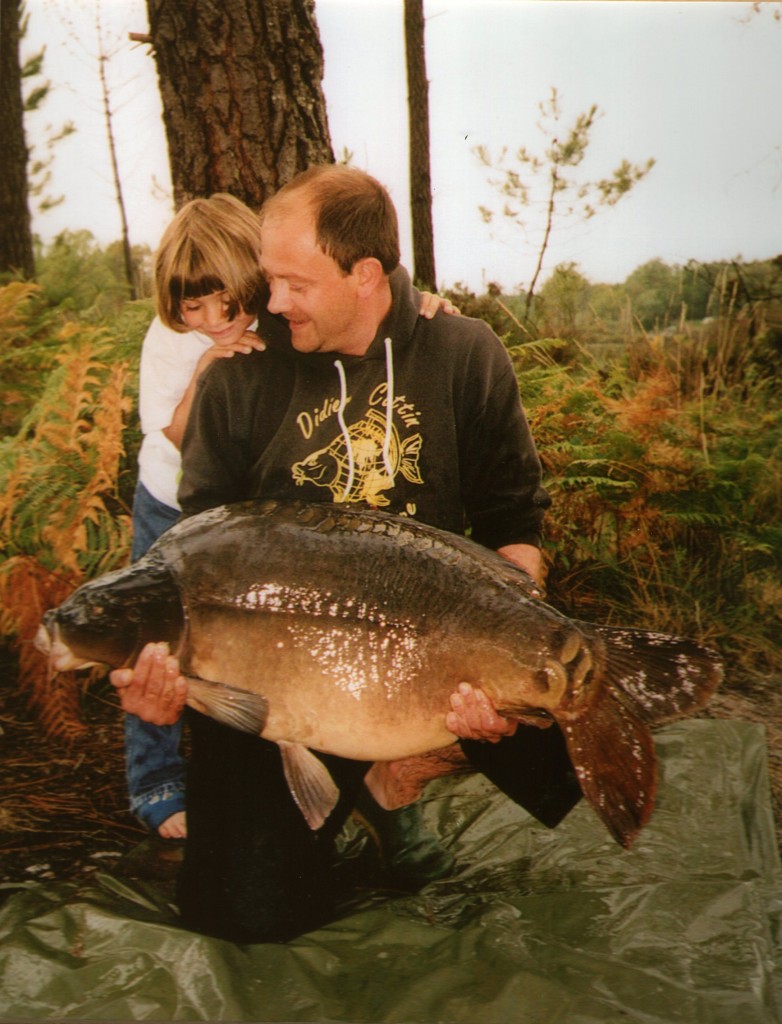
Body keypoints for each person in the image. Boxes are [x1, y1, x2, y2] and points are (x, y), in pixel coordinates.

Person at [112, 165, 581, 944]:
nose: (272, 300)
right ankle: (361, 782)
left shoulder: (463, 353)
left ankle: (400, 776)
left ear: (366, 276)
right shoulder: (239, 375)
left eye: (294, 283)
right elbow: (196, 558)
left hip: (431, 648)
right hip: (281, 672)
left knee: (575, 688)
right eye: (268, 278)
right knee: (243, 918)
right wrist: (175, 679)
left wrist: (501, 670)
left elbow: (512, 515)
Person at [125, 192, 460, 843]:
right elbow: (172, 435)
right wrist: (206, 371)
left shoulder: (280, 315)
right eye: (194, 308)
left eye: (229, 304)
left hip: (240, 519)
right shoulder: (172, 342)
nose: (215, 319)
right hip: (168, 508)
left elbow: (372, 297)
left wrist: (420, 306)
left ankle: (351, 763)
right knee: (154, 648)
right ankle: (155, 779)